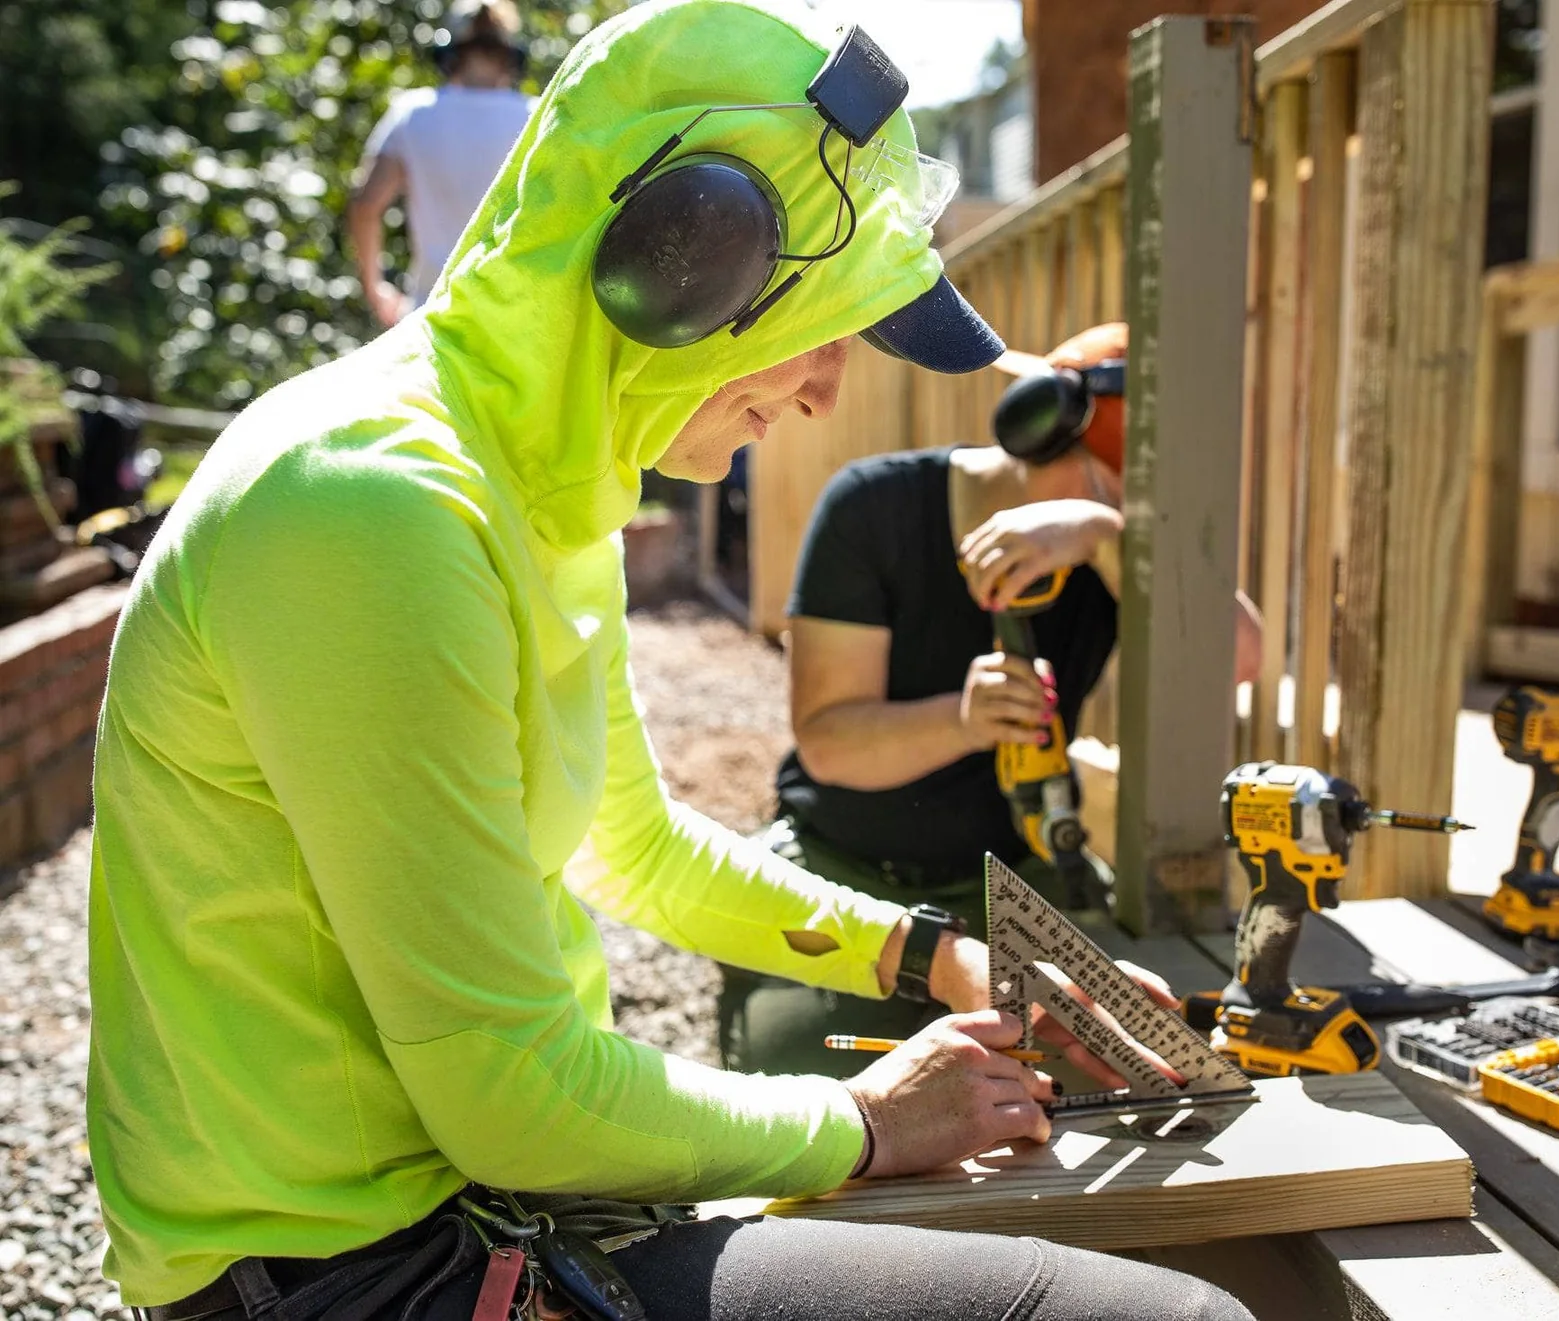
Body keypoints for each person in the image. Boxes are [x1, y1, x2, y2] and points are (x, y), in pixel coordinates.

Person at [86, 4, 1253, 1319]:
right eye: (820, 324)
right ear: (676, 262)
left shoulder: (533, 483)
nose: (827, 389)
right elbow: (513, 1096)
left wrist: (940, 957)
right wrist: (862, 1118)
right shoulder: (376, 510)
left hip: (453, 1209)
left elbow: (630, 849)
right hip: (351, 1269)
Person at [720, 322, 1263, 1080]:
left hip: (1016, 871)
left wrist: (1105, 533)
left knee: (1119, 1072)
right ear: (1037, 431)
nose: (1130, 513)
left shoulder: (1111, 548)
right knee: (808, 1101)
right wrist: (964, 720)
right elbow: (828, 742)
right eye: (1108, 489)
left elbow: (1238, 660)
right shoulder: (875, 507)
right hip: (846, 867)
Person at [345, 0, 533, 328]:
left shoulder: (413, 114)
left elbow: (365, 205)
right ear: (510, 54)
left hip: (429, 318)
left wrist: (375, 287)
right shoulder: (535, 119)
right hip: (513, 323)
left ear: (451, 51)